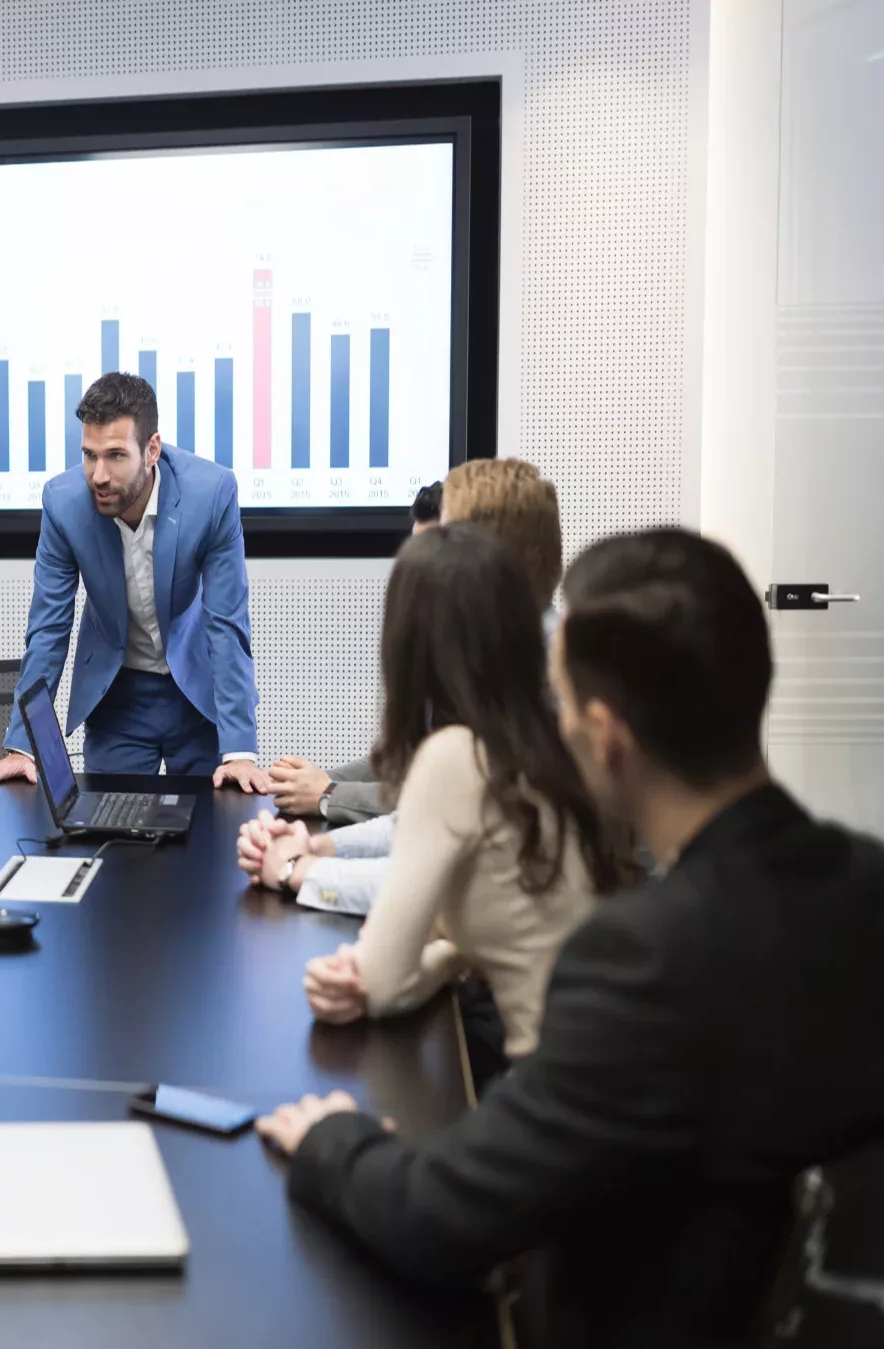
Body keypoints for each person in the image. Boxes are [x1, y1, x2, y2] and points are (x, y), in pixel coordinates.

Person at [255, 528, 884, 1348]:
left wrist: (331, 1140)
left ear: (607, 735)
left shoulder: (639, 959)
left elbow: (443, 1218)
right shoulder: (866, 883)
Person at [254, 526, 625, 1059]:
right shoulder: (551, 736)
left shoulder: (456, 756)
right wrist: (322, 849)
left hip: (545, 1090)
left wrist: (293, 870)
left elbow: (385, 982)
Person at [0, 373, 269, 792]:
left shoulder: (210, 493)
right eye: (89, 455)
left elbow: (227, 624)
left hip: (196, 691)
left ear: (152, 450)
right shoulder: (63, 503)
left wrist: (240, 752)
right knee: (109, 831)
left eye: (116, 456)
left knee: (212, 832)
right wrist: (21, 745)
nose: (98, 475)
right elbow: (48, 628)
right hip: (118, 695)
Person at [266, 459, 564, 830]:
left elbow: (456, 805)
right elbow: (410, 765)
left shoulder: (555, 669)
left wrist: (329, 796)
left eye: (438, 545)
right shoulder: (485, 643)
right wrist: (314, 785)